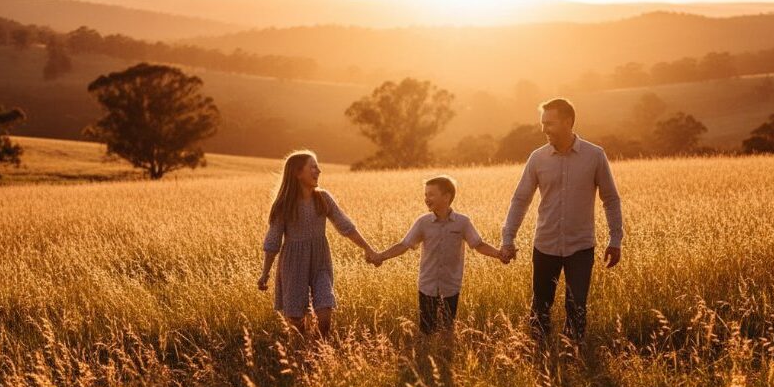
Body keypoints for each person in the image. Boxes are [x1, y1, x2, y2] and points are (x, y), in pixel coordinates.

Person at [500, 98, 623, 344]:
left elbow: (610, 198)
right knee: (540, 308)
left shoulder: (595, 155)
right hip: (545, 245)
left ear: (568, 122)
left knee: (577, 306)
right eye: (542, 123)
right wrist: (508, 239)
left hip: (581, 246)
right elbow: (520, 199)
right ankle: (539, 357)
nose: (544, 129)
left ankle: (574, 358)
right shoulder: (537, 158)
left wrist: (615, 239)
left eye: (550, 123)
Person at [257, 150, 378, 340]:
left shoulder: (323, 198)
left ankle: (319, 351)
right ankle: (301, 356)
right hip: (293, 264)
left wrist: (368, 248)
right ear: (298, 173)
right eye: (313, 167)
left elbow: (345, 226)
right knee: (297, 323)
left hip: (320, 261)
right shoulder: (284, 205)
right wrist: (265, 273)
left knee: (325, 314)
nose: (319, 170)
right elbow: (273, 241)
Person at [374, 175, 507, 334]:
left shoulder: (463, 222)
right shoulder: (422, 222)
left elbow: (478, 244)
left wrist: (499, 254)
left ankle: (445, 355)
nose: (426, 199)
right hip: (427, 286)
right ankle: (426, 356)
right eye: (425, 195)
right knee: (426, 331)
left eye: (431, 194)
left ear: (446, 197)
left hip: (451, 286)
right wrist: (381, 256)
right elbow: (404, 245)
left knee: (447, 330)